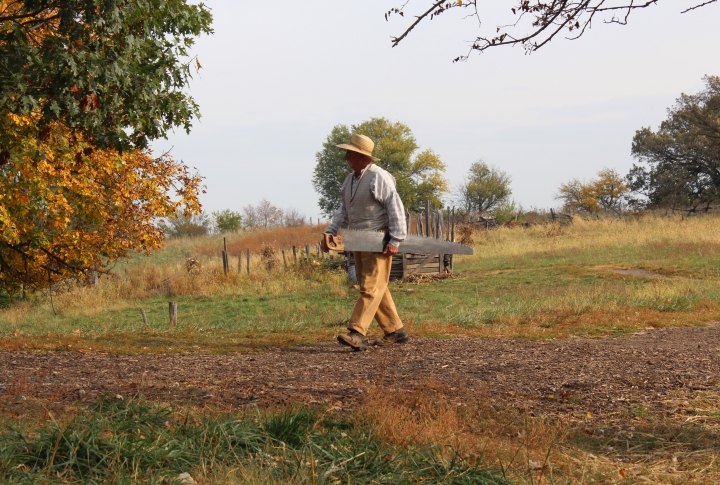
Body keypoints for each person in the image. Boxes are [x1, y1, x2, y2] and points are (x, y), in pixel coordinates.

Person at [321, 133, 409, 350]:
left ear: (361, 156)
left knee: (370, 287)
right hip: (358, 241)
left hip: (378, 240)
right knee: (374, 286)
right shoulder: (350, 181)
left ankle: (357, 332)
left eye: (349, 153)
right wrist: (330, 232)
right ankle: (395, 331)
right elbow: (343, 211)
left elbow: (395, 208)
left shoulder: (379, 177)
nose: (345, 157)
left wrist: (396, 239)